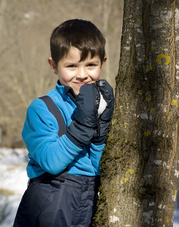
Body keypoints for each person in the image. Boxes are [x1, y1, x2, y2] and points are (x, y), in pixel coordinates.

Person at [13, 19, 114, 227]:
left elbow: (99, 168)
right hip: (50, 202)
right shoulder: (43, 108)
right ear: (53, 65)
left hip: (90, 202)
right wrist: (82, 127)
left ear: (103, 63)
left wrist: (100, 133)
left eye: (91, 65)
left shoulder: (102, 105)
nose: (82, 74)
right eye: (71, 66)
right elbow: (51, 162)